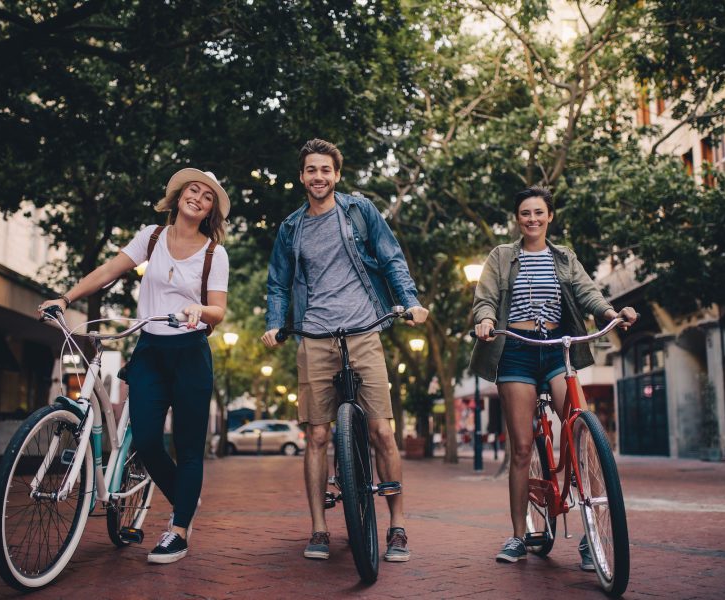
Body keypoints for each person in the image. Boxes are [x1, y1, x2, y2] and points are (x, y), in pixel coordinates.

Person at [38, 168, 231, 564]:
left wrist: (199, 310)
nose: (197, 197)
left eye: (207, 196)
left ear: (211, 210)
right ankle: (186, 503)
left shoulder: (214, 252)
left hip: (190, 352)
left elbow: (219, 311)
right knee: (145, 441)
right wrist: (66, 297)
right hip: (149, 350)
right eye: (192, 190)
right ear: (178, 196)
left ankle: (178, 529)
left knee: (189, 446)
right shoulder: (152, 237)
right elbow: (110, 269)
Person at [261, 138, 429, 563]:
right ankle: (319, 528)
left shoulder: (359, 211)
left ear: (337, 174)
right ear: (301, 176)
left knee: (382, 431)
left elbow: (391, 258)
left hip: (364, 329)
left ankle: (397, 526)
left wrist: (409, 301)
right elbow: (279, 283)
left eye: (326, 170)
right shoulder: (290, 227)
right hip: (314, 336)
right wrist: (274, 324)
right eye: (311, 170)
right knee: (317, 435)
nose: (319, 177)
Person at [470, 186, 636, 568]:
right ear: (518, 219)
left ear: (550, 217)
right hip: (516, 351)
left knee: (582, 432)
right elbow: (486, 296)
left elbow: (588, 293)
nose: (532, 219)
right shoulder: (502, 256)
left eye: (539, 212)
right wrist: (485, 318)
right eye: (525, 213)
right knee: (523, 447)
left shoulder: (564, 257)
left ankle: (590, 533)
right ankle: (517, 536)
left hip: (558, 350)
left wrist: (610, 313)